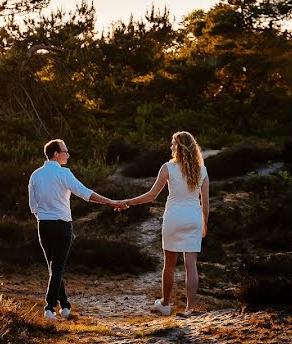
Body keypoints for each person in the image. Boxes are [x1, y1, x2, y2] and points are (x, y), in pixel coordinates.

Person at [28, 138, 123, 321]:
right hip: (62, 226)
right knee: (57, 267)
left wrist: (43, 217)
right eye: (65, 151)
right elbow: (85, 193)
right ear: (56, 154)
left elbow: (33, 206)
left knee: (54, 267)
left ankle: (65, 306)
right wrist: (111, 202)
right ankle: (49, 307)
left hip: (44, 225)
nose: (68, 155)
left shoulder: (35, 175)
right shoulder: (64, 174)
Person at [117, 131, 209, 317]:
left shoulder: (168, 168)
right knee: (191, 265)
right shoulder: (202, 170)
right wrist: (204, 223)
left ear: (179, 147)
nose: (171, 147)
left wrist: (129, 201)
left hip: (174, 218)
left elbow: (152, 195)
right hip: (193, 219)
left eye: (173, 144)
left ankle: (165, 305)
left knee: (170, 264)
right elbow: (205, 202)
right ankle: (190, 308)